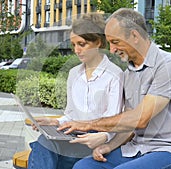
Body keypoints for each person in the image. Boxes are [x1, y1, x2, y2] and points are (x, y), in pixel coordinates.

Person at [59, 8, 171, 169]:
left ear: (134, 36)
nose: (111, 50)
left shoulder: (168, 65)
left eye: (115, 42)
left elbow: (140, 119)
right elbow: (128, 124)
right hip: (136, 149)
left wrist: (88, 124)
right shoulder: (128, 73)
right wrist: (109, 146)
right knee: (84, 166)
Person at [27, 13, 125, 169]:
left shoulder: (115, 75)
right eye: (73, 45)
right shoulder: (74, 73)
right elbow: (71, 114)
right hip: (72, 136)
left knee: (49, 157)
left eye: (82, 44)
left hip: (95, 139)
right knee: (43, 144)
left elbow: (114, 121)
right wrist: (55, 122)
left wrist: (104, 137)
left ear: (98, 42)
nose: (76, 50)